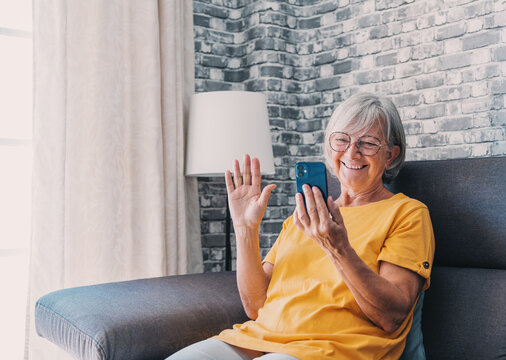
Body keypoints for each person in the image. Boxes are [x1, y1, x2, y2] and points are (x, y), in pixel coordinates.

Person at [167, 93, 435, 360]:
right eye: (342, 139)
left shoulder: (407, 213)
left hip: (330, 351)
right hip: (255, 340)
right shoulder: (305, 216)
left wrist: (338, 248)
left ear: (390, 155)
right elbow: (255, 305)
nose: (352, 152)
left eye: (368, 143)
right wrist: (245, 229)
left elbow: (393, 316)